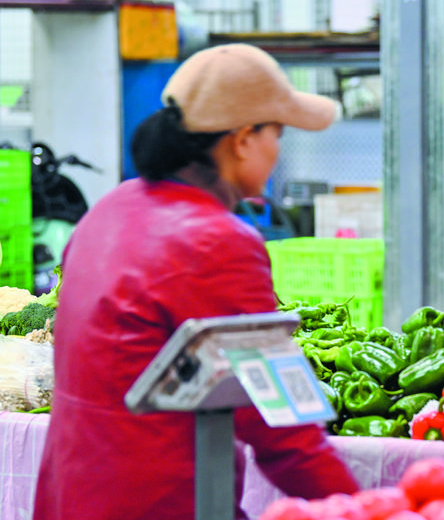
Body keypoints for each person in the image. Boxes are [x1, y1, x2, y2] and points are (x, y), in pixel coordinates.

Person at [32, 43, 359, 520]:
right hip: (159, 504)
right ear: (243, 138)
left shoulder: (110, 209)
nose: (278, 149)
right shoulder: (219, 242)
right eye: (278, 133)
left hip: (69, 500)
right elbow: (281, 428)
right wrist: (371, 507)